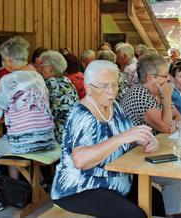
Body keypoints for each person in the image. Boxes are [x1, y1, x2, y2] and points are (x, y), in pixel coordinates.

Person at [51, 60, 156, 218]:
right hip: (80, 188)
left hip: (114, 181)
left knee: (156, 200)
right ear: (88, 88)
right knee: (133, 215)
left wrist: (146, 139)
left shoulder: (114, 106)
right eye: (103, 86)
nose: (111, 92)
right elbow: (80, 160)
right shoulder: (82, 115)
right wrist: (121, 138)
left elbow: (130, 134)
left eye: (114, 85)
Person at [0, 36, 56, 211]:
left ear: (8, 60)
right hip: (47, 138)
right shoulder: (37, 76)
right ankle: (17, 190)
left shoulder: (8, 80)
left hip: (25, 142)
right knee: (7, 142)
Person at [121, 54, 181, 218]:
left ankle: (179, 210)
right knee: (173, 176)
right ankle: (174, 214)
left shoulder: (157, 90)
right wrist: (168, 98)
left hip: (155, 146)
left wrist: (171, 121)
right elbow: (165, 127)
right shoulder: (139, 95)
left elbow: (177, 117)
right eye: (165, 75)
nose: (168, 78)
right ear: (150, 78)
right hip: (136, 155)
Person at [40, 50, 79, 144]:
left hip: (61, 135)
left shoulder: (50, 83)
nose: (40, 69)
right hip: (75, 131)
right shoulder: (66, 80)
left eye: (42, 66)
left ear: (51, 68)